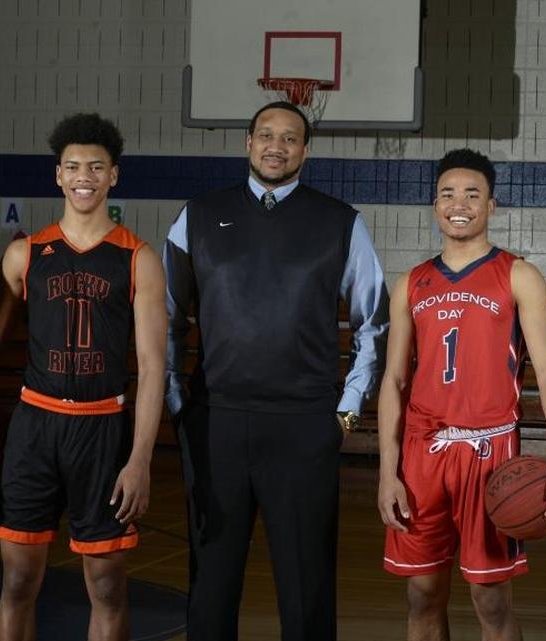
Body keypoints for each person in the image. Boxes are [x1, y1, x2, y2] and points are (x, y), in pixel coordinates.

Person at [163, 101, 388, 641]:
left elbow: (373, 324)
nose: (276, 146)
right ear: (247, 142)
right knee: (211, 587)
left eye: (290, 138)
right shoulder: (195, 215)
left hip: (303, 425)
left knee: (306, 589)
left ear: (305, 151)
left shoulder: (340, 221)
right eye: (266, 134)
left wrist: (345, 414)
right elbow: (164, 322)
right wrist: (179, 408)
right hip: (216, 422)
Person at [0, 112, 166, 641]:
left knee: (108, 586)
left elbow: (155, 366)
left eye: (96, 167)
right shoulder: (24, 254)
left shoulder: (138, 259)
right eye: (73, 166)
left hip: (104, 431)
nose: (84, 177)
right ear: (57, 175)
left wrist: (140, 459)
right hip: (35, 429)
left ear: (113, 175)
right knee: (19, 582)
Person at [377, 149, 546, 641]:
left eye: (472, 193)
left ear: (491, 205)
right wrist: (387, 471)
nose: (459, 204)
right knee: (422, 592)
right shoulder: (411, 283)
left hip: (490, 452)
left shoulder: (519, 275)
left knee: (490, 598)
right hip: (423, 453)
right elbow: (394, 381)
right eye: (447, 194)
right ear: (434, 205)